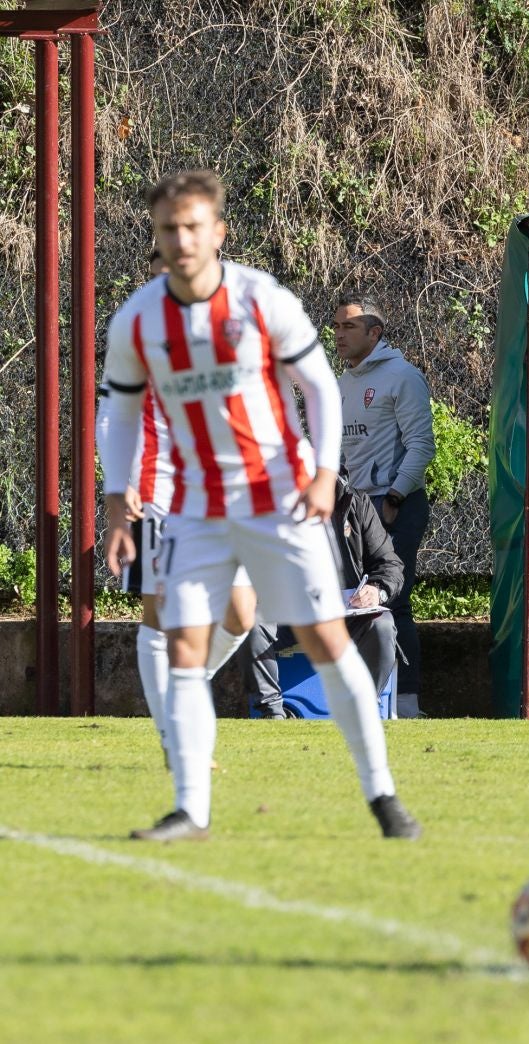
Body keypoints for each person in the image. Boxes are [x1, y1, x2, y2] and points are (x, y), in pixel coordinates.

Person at [101, 169, 420, 842]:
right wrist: (115, 501)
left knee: (327, 641)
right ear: (157, 238)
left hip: (277, 499)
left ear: (217, 232)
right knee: (183, 647)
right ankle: (191, 808)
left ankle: (384, 797)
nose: (181, 240)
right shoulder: (138, 321)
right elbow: (122, 414)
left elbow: (319, 388)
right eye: (168, 229)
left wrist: (325, 471)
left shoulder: (260, 299)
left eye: (193, 227)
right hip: (193, 508)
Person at [96, 248, 262, 754]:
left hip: (223, 492)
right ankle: (175, 731)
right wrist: (120, 487)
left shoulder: (235, 323)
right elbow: (111, 416)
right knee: (160, 613)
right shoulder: (137, 333)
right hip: (159, 492)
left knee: (241, 614)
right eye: (156, 276)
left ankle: (183, 691)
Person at [333, 296, 434, 718]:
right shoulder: (342, 382)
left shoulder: (402, 377)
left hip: (395, 504)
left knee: (393, 599)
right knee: (352, 600)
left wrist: (394, 497)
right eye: (336, 327)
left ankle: (404, 703)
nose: (339, 334)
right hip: (354, 508)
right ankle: (355, 699)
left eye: (349, 327)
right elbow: (342, 448)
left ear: (375, 332)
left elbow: (421, 445)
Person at [246, 474, 404, 719]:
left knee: (382, 626)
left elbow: (389, 564)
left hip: (349, 612)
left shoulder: (357, 504)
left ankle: (363, 710)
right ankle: (271, 713)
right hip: (292, 612)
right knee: (253, 622)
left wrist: (376, 590)